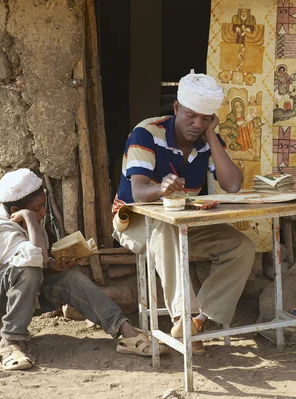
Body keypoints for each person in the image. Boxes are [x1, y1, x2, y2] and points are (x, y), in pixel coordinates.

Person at [112, 71, 256, 354]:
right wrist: (161, 188)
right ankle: (182, 317)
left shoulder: (205, 139)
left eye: (205, 118)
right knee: (165, 228)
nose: (197, 124)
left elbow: (233, 184)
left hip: (183, 221)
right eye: (191, 116)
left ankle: (198, 322)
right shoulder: (147, 133)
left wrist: (212, 136)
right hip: (136, 220)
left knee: (240, 246)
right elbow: (139, 193)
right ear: (176, 108)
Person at [0, 169, 158, 371]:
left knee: (70, 277)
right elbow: (31, 260)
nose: (43, 212)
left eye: (43, 206)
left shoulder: (28, 226)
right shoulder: (2, 230)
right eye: (37, 208)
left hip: (17, 298)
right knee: (28, 269)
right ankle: (9, 343)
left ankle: (125, 332)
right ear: (15, 210)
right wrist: (29, 218)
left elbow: (36, 263)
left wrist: (53, 267)